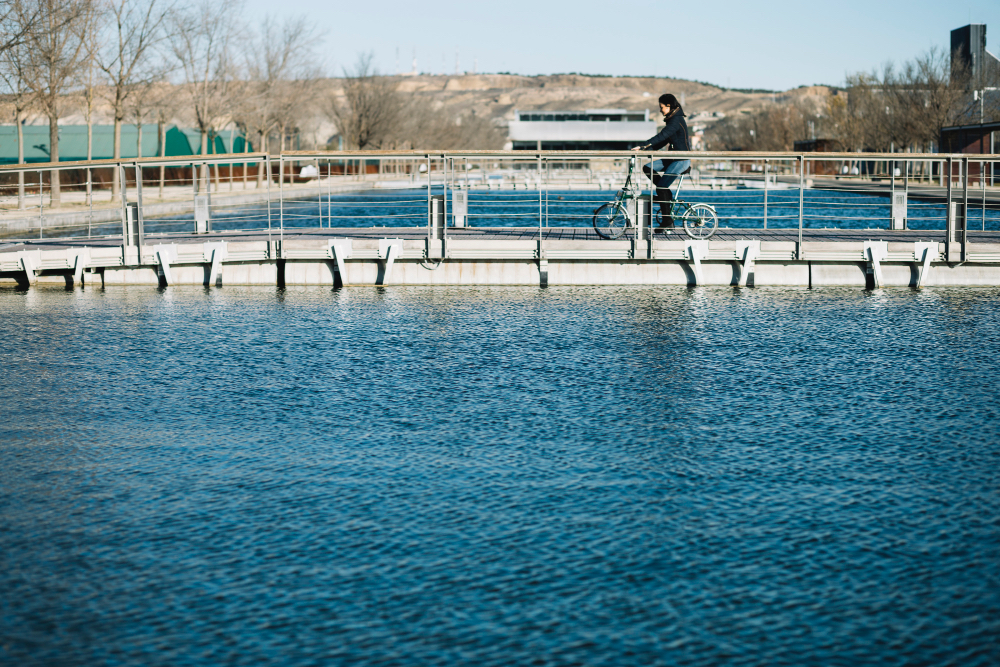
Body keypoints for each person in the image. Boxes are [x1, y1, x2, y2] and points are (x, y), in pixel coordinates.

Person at [632, 94, 691, 228]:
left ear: (669, 106)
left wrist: (643, 145)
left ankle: (667, 222)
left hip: (681, 160)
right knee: (648, 168)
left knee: (661, 187)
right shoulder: (672, 120)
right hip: (673, 158)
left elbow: (662, 135)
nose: (660, 110)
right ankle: (666, 195)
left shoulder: (676, 120)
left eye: (661, 107)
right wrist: (645, 149)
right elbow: (663, 141)